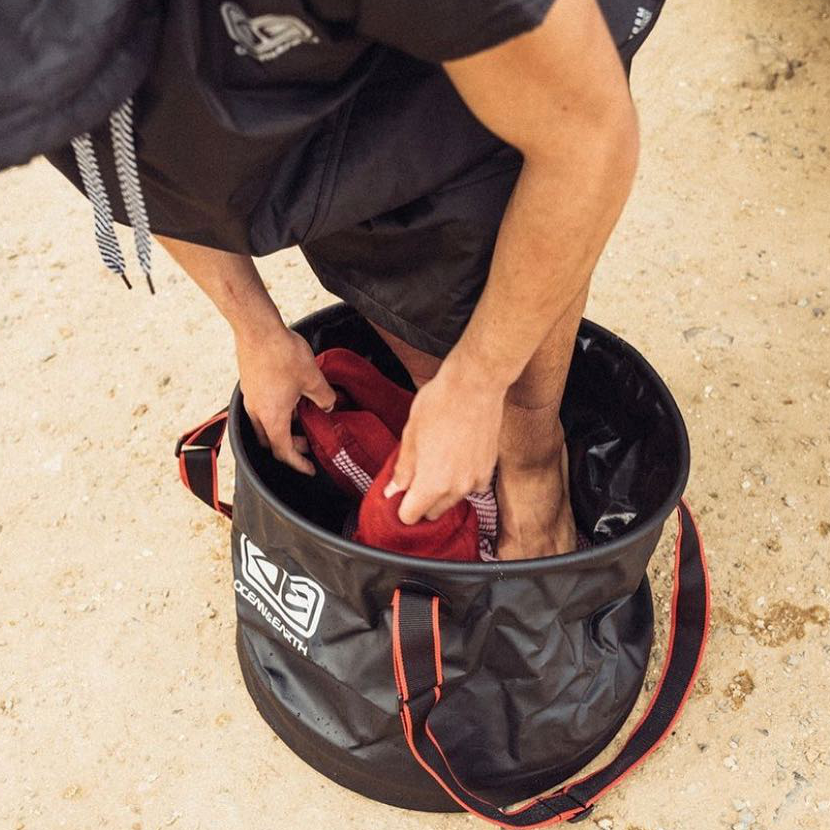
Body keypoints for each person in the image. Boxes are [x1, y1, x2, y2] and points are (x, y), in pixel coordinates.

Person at [2, 0, 662, 558]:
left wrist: (482, 386)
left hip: (502, 50)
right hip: (320, 58)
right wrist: (255, 329)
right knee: (395, 277)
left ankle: (533, 456)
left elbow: (586, 141)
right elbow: (128, 150)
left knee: (482, 259)